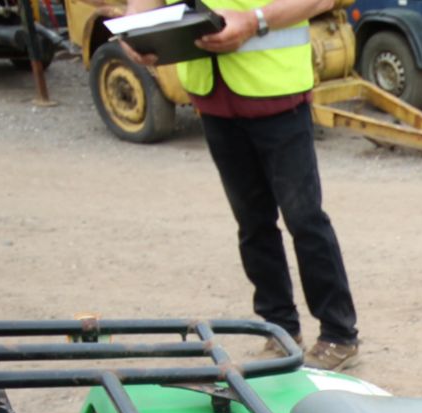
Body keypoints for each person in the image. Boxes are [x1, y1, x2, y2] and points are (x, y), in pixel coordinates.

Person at [122, 0, 361, 370]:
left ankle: (338, 335)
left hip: (277, 92)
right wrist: (133, 30)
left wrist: (254, 21)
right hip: (215, 99)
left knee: (305, 220)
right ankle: (278, 327)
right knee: (252, 223)